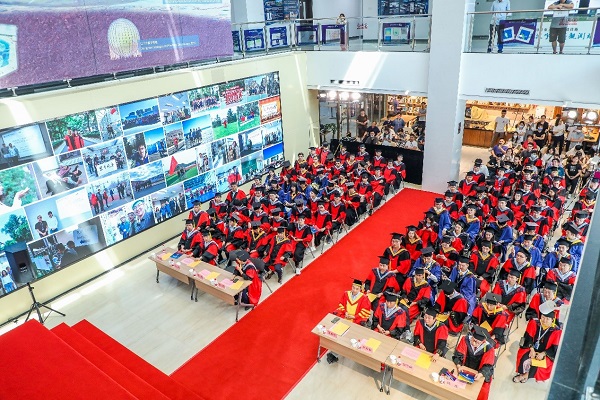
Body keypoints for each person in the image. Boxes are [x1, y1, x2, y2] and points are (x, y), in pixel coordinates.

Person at [513, 309, 562, 383]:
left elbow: (554, 348)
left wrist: (543, 354)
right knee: (523, 355)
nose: (544, 320)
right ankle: (523, 373)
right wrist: (532, 349)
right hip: (531, 348)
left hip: (545, 353)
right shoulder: (534, 323)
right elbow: (528, 337)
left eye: (547, 319)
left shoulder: (557, 331)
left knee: (540, 365)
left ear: (552, 320)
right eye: (543, 317)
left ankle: (523, 376)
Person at [452, 325, 496, 400]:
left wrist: (480, 374)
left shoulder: (489, 349)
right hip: (463, 368)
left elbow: (488, 366)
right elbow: (458, 355)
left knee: (481, 390)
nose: (473, 343)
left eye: (477, 342)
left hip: (478, 373)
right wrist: (459, 366)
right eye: (473, 339)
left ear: (483, 342)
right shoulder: (465, 340)